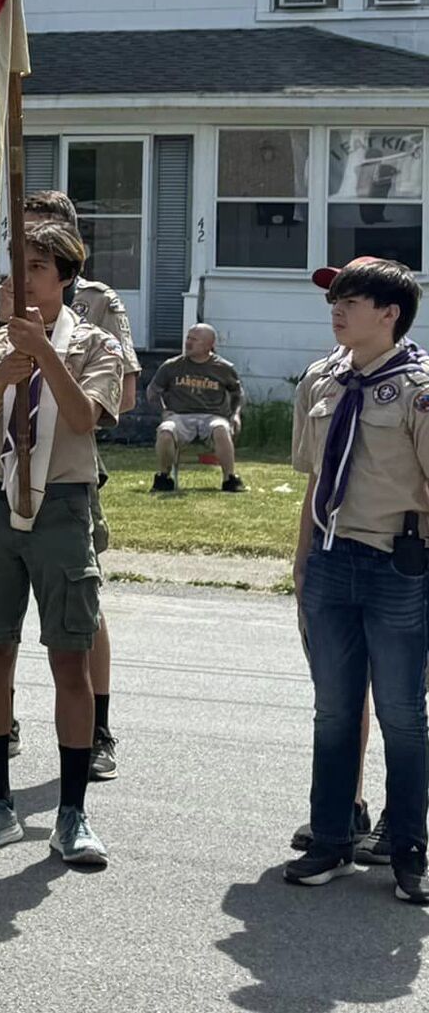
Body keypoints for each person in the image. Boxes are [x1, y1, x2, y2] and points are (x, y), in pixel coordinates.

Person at [0, 219, 121, 870]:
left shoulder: (94, 343)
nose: (20, 283)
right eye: (14, 270)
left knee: (68, 659)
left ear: (65, 278)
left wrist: (44, 356)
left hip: (62, 506)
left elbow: (83, 418)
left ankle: (71, 813)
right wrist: (3, 372)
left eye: (36, 270)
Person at [282, 256, 429, 904]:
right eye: (332, 298)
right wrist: (300, 559)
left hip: (396, 561)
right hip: (330, 558)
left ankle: (408, 848)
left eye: (351, 299)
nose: (335, 309)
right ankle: (331, 834)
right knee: (334, 708)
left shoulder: (418, 390)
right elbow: (315, 479)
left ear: (389, 313)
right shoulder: (321, 378)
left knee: (400, 711)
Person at [147, 325, 245, 492]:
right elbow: (153, 391)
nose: (188, 343)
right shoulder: (172, 366)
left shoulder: (223, 368)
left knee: (221, 428)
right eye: (188, 338)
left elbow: (237, 393)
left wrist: (235, 415)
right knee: (165, 431)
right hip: (179, 416)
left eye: (194, 339)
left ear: (209, 344)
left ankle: (230, 478)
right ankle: (164, 477)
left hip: (213, 415)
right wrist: (163, 410)